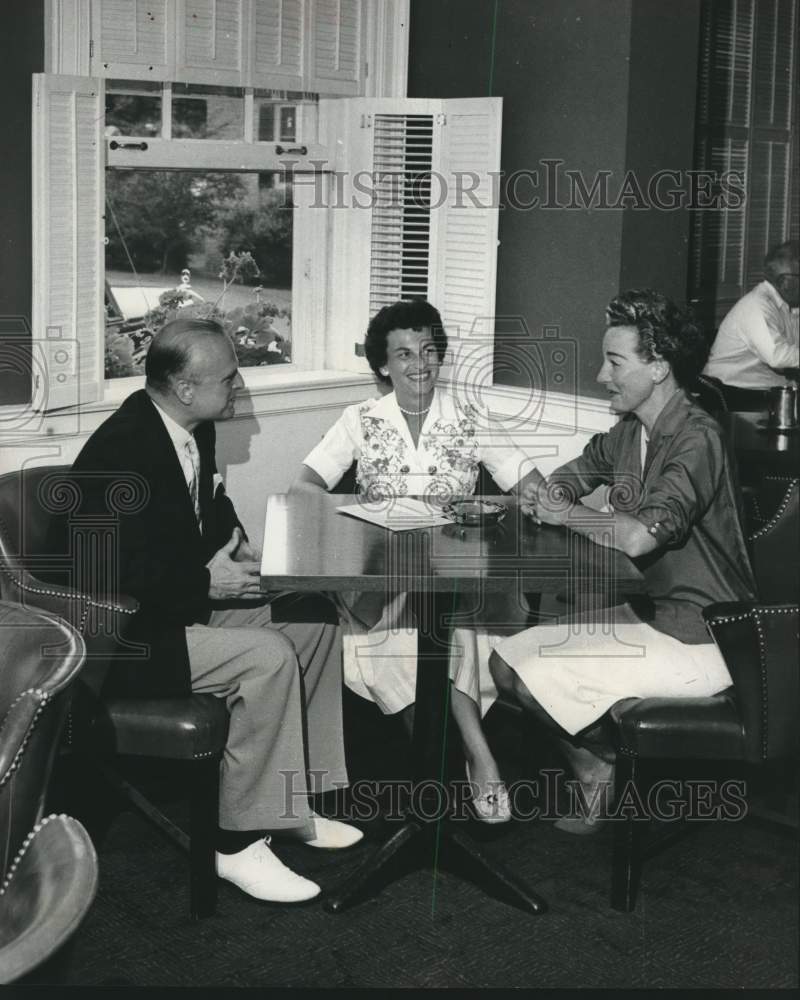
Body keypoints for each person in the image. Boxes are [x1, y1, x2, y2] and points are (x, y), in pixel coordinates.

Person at [49, 317, 361, 903]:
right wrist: (205, 582)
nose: (239, 387)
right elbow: (105, 578)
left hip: (174, 610)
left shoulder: (193, 428)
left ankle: (292, 804)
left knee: (314, 621)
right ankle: (235, 842)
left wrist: (241, 554)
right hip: (122, 639)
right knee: (267, 656)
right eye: (229, 378)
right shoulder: (120, 454)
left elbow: (210, 507)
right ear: (185, 388)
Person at [489, 289, 757, 833]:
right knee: (503, 663)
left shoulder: (697, 437)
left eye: (614, 361)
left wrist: (565, 515)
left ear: (658, 368)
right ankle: (598, 763)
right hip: (655, 616)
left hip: (708, 635)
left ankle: (603, 765)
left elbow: (638, 538)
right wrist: (545, 495)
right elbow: (572, 475)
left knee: (533, 675)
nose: (600, 374)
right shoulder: (630, 432)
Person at [290, 299, 543, 823]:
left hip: (462, 582)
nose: (419, 364)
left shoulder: (471, 416)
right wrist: (344, 530)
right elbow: (304, 487)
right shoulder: (359, 420)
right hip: (379, 589)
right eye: (403, 354)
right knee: (409, 637)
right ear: (383, 365)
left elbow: (528, 485)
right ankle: (478, 760)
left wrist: (549, 508)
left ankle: (453, 771)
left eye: (429, 350)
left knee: (443, 631)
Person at [704, 239, 799, 409]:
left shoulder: (787, 305)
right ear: (785, 281)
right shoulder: (757, 305)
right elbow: (777, 356)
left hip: (766, 393)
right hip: (734, 396)